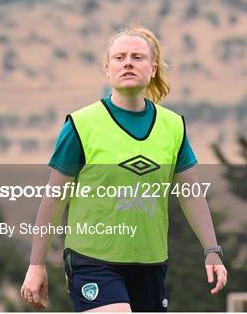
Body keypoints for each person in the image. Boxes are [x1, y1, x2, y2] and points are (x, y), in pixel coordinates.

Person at [21, 27, 227, 312]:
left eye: (137, 57)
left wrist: (212, 251)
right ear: (108, 68)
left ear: (152, 68)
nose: (128, 62)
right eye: (119, 57)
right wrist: (36, 265)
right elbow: (55, 197)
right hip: (92, 260)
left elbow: (190, 194)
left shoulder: (173, 126)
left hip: (150, 263)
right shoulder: (82, 125)